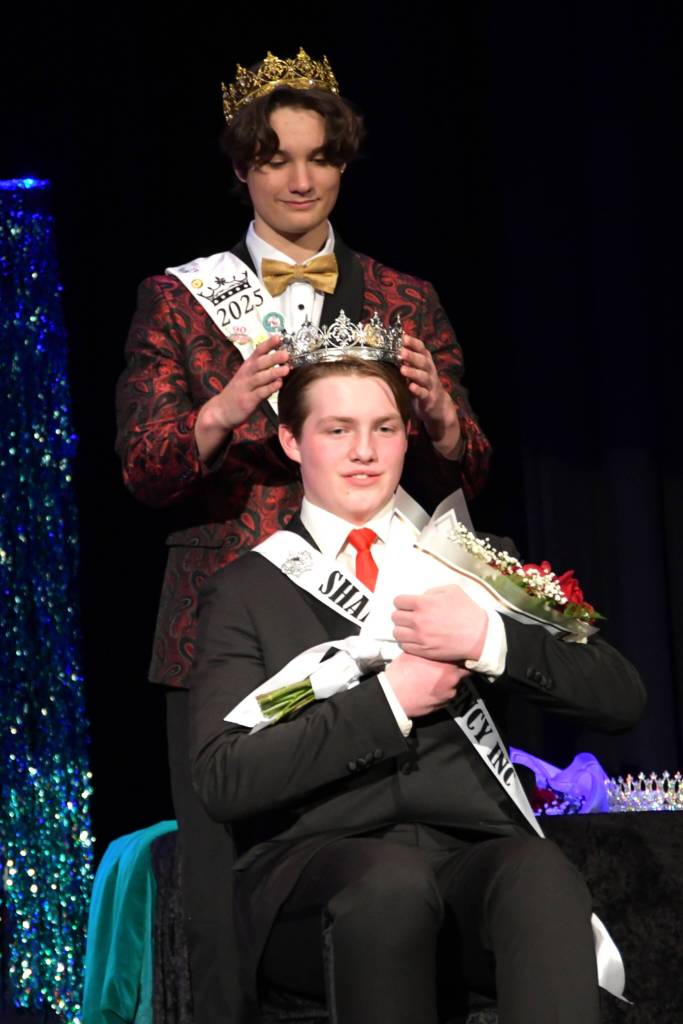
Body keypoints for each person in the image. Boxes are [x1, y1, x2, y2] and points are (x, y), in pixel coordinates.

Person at [115, 48, 490, 1022]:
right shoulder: (181, 298)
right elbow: (143, 465)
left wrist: (444, 417)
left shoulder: (400, 296)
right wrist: (219, 410)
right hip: (226, 629)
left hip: (386, 613)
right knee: (219, 894)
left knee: (396, 876)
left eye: (317, 159)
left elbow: (468, 463)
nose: (297, 179)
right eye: (274, 158)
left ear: (339, 166)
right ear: (241, 166)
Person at [188, 339, 646, 1024]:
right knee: (389, 884)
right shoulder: (246, 590)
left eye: (382, 428)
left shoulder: (468, 563)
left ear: (408, 435)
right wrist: (389, 702)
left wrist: (488, 640)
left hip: (467, 868)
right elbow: (223, 778)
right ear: (291, 441)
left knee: (537, 873)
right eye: (336, 430)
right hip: (314, 882)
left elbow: (620, 697)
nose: (363, 452)